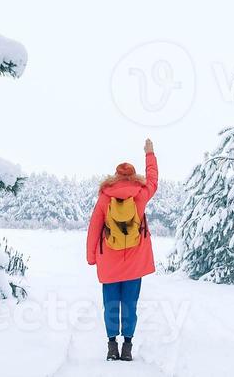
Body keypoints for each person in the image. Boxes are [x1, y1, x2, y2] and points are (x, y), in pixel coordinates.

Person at [86, 137, 158, 362]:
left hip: (109, 264)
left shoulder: (104, 198)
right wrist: (150, 153)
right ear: (134, 177)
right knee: (130, 305)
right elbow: (154, 180)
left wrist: (91, 257)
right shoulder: (140, 195)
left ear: (115, 177)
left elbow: (94, 228)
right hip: (134, 264)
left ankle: (111, 346)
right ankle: (127, 347)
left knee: (110, 305)